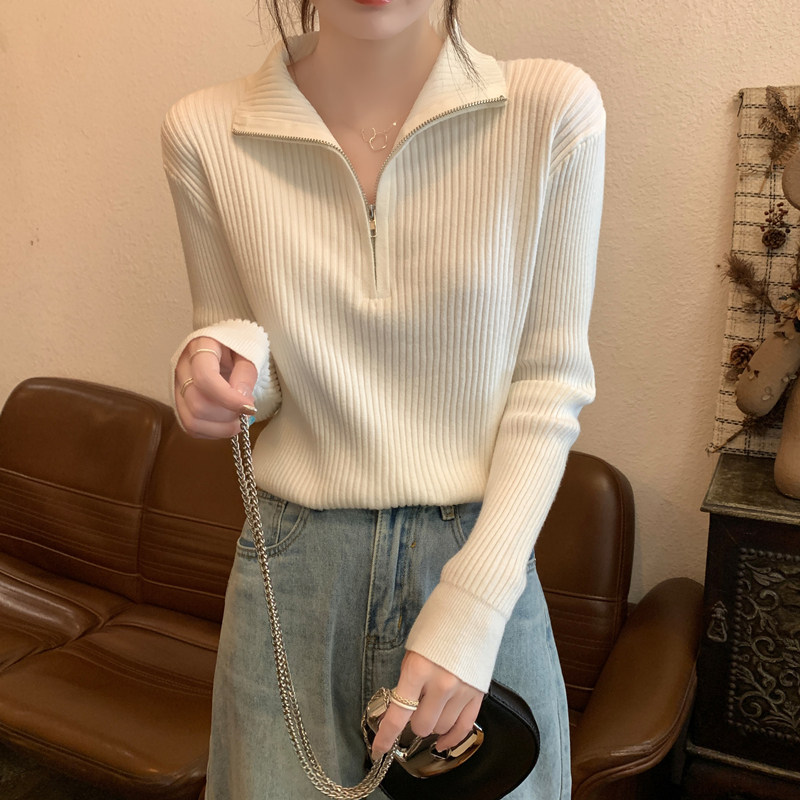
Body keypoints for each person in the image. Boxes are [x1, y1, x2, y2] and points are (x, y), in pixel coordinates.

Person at [163, 0, 604, 797]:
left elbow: (549, 383)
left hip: (480, 561)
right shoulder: (204, 131)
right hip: (294, 575)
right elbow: (246, 356)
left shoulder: (550, 111)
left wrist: (474, 603)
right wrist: (214, 368)